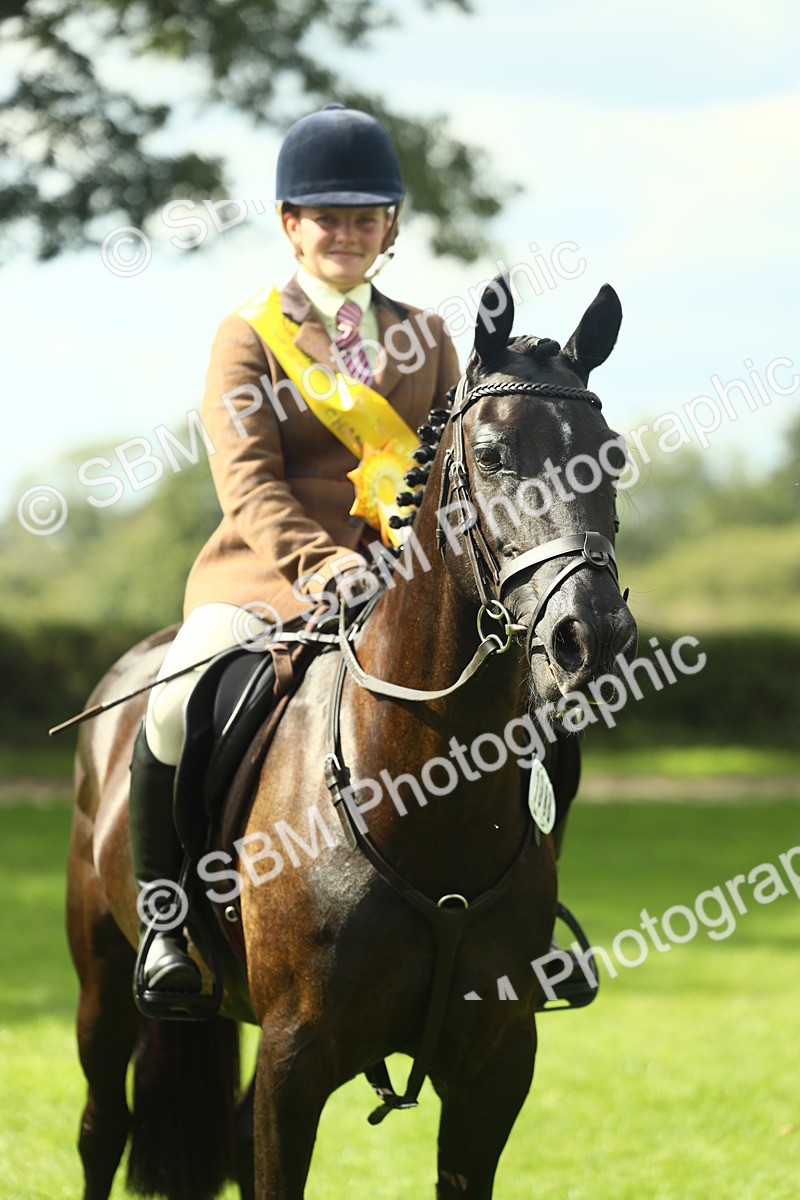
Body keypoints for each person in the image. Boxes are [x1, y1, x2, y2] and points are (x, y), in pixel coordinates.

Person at [129, 103, 461, 993]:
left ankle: (527, 908)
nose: (346, 235)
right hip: (266, 578)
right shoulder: (247, 336)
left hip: (403, 582)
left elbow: (452, 479)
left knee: (523, 698)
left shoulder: (429, 338)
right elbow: (248, 481)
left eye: (365, 217)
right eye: (328, 218)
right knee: (173, 701)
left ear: (390, 226)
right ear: (290, 225)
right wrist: (325, 565)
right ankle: (165, 923)